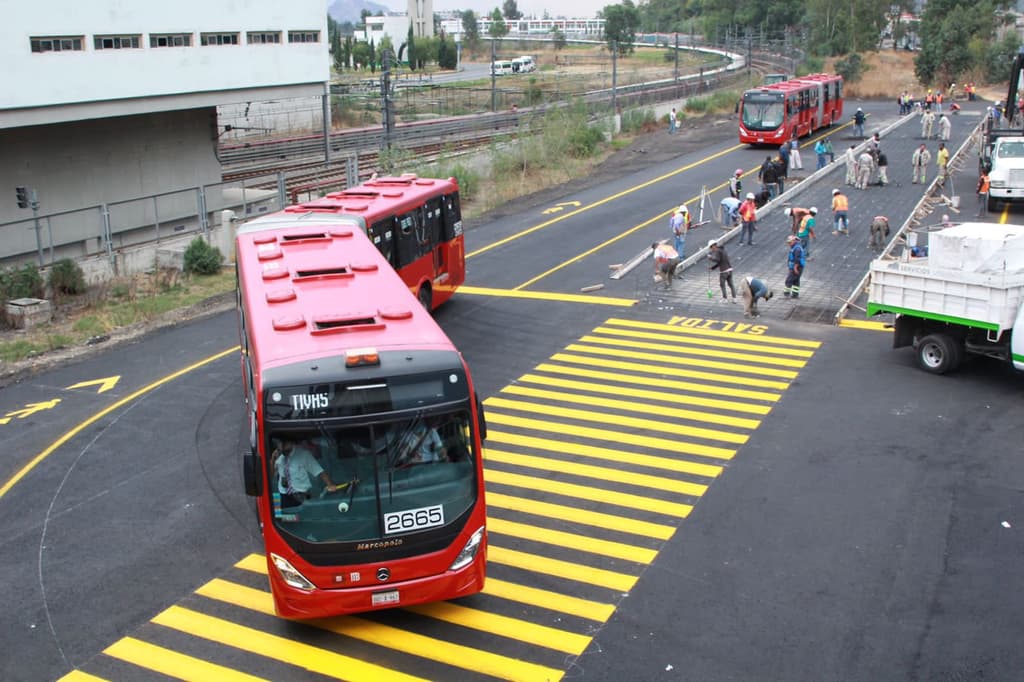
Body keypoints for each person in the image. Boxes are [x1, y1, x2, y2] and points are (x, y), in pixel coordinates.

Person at [273, 438, 341, 507]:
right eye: (279, 443)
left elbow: (320, 471)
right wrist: (272, 459)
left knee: (302, 516)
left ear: (291, 443)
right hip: (282, 494)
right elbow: (269, 475)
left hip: (301, 495)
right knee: (280, 516)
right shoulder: (279, 457)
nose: (281, 445)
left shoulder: (303, 455)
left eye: (284, 443)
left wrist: (330, 484)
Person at [783, 234, 805, 299]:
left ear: (794, 241)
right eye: (788, 243)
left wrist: (795, 268)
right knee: (796, 280)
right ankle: (795, 294)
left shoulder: (797, 249)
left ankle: (786, 294)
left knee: (789, 280)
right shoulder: (795, 247)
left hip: (796, 267)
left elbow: (797, 259)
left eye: (790, 242)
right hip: (796, 267)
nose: (789, 244)